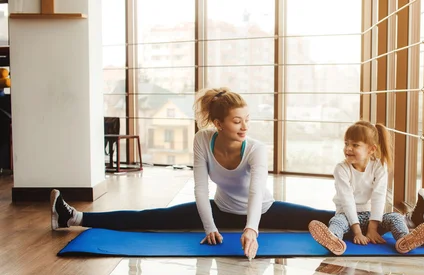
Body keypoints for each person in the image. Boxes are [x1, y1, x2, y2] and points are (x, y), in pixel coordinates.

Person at [50, 87, 335, 260]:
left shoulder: (256, 149)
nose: (245, 126)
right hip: (219, 210)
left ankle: (372, 223)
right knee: (150, 218)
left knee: (320, 217)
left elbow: (256, 192)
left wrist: (251, 230)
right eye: (237, 121)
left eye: (247, 120)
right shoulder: (202, 140)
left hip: (263, 210)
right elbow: (200, 189)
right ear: (218, 123)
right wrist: (210, 227)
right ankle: (73, 217)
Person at [307, 121, 424, 255]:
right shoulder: (341, 169)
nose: (348, 148)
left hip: (372, 219)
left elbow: (379, 196)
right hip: (348, 219)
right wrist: (357, 231)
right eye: (346, 143)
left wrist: (372, 228)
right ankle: (333, 241)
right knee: (337, 221)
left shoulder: (379, 166)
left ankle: (404, 240)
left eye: (355, 145)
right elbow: (347, 200)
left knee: (395, 217)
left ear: (371, 149)